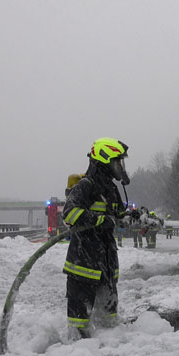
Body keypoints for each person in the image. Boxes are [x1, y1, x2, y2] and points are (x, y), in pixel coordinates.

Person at [62, 137, 131, 338]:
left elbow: (117, 216)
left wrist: (130, 217)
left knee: (108, 324)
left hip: (105, 266)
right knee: (79, 325)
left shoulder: (110, 188)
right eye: (117, 161)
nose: (120, 166)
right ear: (104, 159)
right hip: (83, 265)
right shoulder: (87, 185)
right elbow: (69, 212)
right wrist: (98, 220)